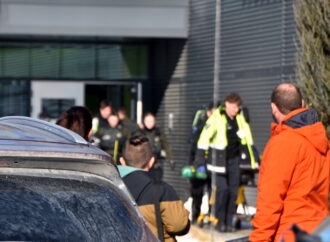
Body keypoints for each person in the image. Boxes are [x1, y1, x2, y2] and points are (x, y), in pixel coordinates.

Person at [249, 83, 329, 242]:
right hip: (320, 232)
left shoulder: (282, 144)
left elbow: (270, 202)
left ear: (273, 107)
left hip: (290, 234)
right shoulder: (322, 140)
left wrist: (259, 239)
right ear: (303, 104)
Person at [196, 93, 257, 232]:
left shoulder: (240, 119)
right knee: (222, 191)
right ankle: (219, 220)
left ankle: (229, 222)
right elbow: (204, 137)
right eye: (234, 107)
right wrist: (199, 159)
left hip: (234, 160)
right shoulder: (217, 118)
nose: (236, 110)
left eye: (238, 107)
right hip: (219, 162)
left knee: (233, 192)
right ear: (227, 104)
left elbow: (247, 139)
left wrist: (252, 158)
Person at [118, 135, 190, 242]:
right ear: (151, 162)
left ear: (122, 161)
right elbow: (179, 225)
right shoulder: (162, 190)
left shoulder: (107, 186)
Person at [188, 102, 216, 225]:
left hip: (212, 164)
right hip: (198, 162)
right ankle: (195, 215)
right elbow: (193, 146)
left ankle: (210, 215)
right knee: (197, 191)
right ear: (208, 112)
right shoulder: (200, 125)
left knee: (212, 192)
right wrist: (193, 163)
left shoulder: (219, 125)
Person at [138, 113, 175, 182]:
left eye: (151, 121)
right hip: (143, 164)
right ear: (144, 122)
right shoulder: (140, 133)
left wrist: (171, 159)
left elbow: (166, 146)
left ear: (155, 122)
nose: (149, 123)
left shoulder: (159, 133)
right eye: (147, 121)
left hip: (156, 163)